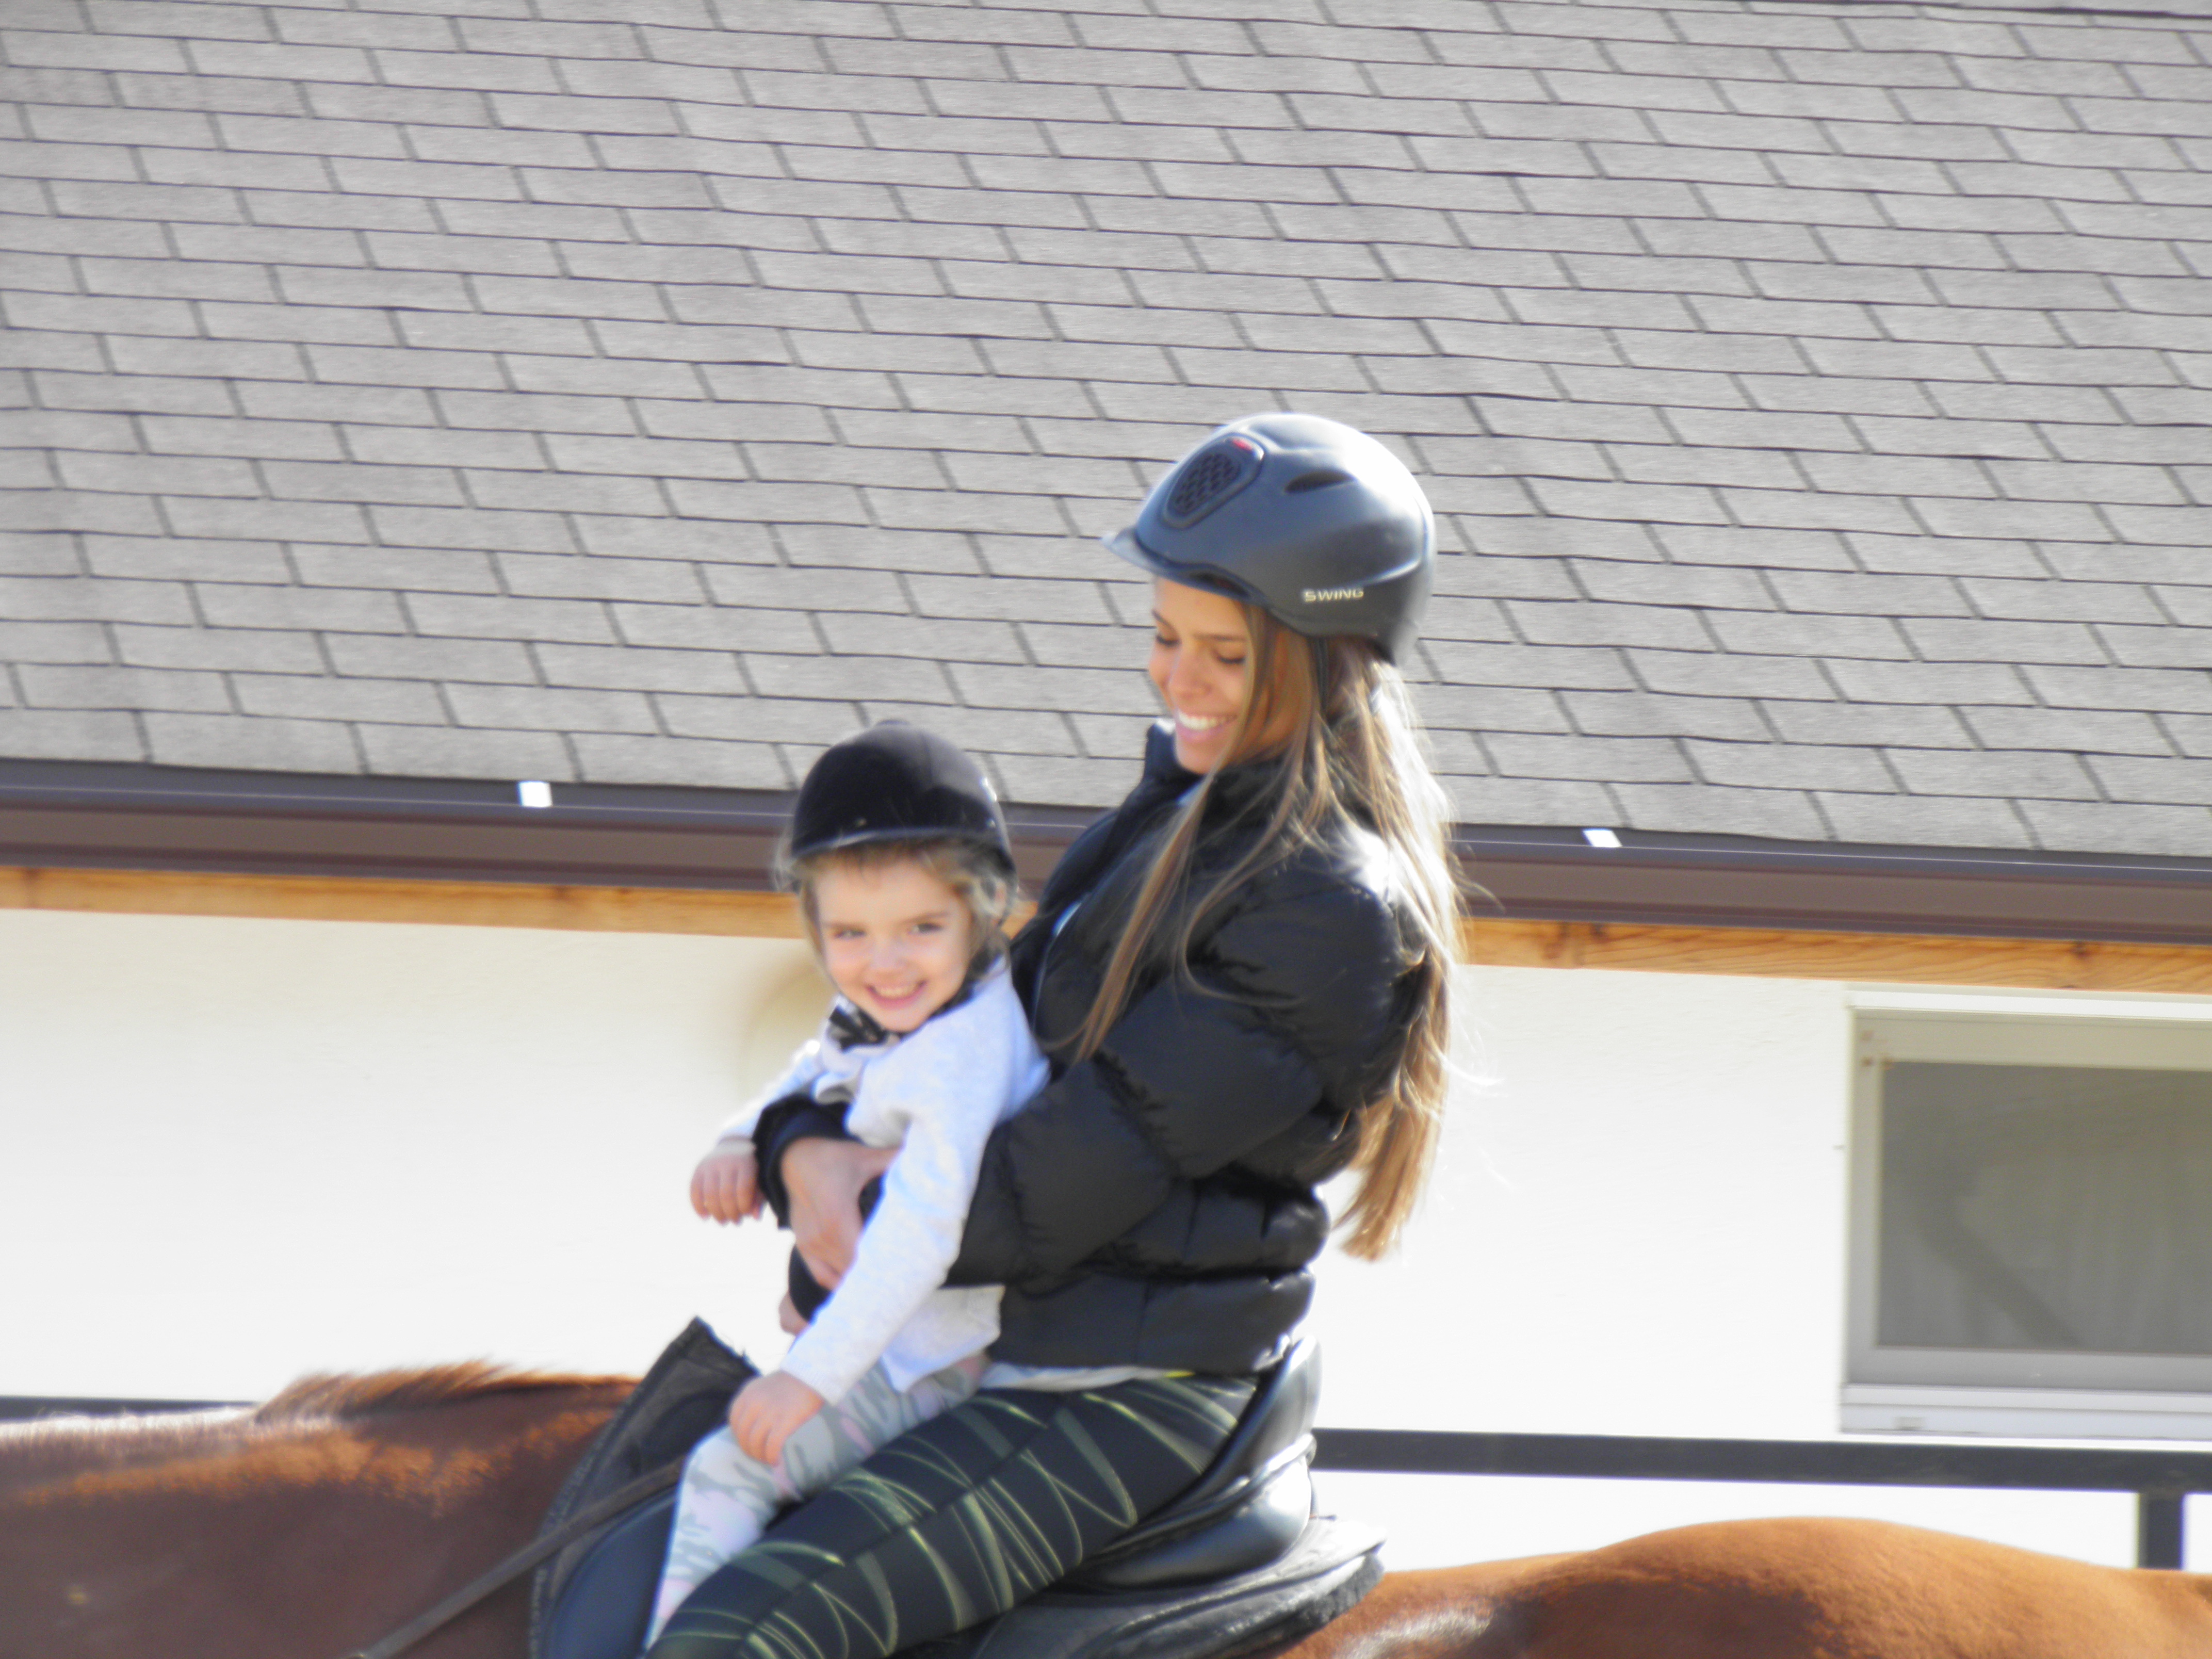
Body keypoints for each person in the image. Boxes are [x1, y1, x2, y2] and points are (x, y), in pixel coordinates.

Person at [646, 413, 1462, 1659]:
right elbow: (949, 1033)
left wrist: (839, 1246)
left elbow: (1058, 1179)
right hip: (1021, 1335)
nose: (1174, 679)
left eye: (1223, 655)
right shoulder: (1168, 823)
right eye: (1164, 636)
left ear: (1326, 660)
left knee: (732, 1637)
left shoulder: (1319, 906)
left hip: (1119, 1388)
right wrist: (799, 1140)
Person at [645, 721, 1049, 1644]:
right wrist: (742, 1135)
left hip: (932, 1362)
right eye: (851, 934)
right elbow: (816, 1062)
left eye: (922, 928)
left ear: (984, 908)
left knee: (727, 1472)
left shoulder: (961, 1057)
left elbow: (921, 1237)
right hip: (883, 1339)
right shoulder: (901, 1010)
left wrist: (808, 1382)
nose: (885, 963)